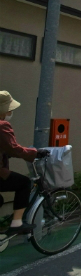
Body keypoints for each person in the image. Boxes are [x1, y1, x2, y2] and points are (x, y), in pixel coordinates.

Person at [0, 91, 49, 234]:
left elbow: (6, 149)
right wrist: (36, 153)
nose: (10, 112)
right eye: (9, 109)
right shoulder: (3, 126)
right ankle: (16, 223)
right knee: (24, 183)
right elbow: (14, 148)